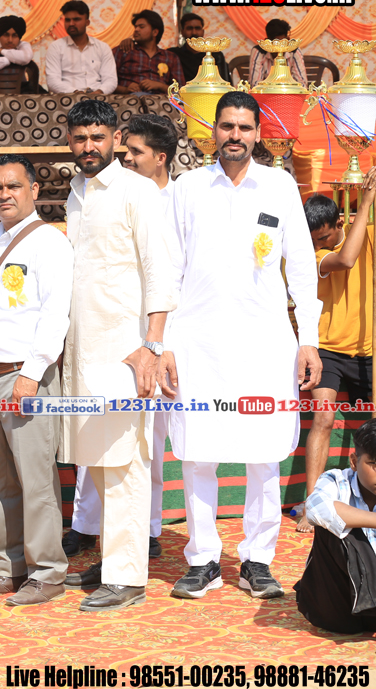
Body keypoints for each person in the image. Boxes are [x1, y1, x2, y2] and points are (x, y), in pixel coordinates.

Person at [161, 91, 321, 601]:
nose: (235, 135)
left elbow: (301, 268)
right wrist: (162, 343)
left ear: (257, 133)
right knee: (197, 453)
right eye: (227, 126)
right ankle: (203, 559)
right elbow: (167, 269)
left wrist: (309, 340)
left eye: (244, 127)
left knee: (264, 453)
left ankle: (258, 560)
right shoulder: (188, 188)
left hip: (264, 344)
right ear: (213, 131)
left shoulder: (279, 186)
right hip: (197, 342)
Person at [60, 99, 176, 612]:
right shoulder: (76, 193)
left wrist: (152, 346)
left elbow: (160, 272)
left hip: (127, 353)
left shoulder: (137, 191)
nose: (89, 146)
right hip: (83, 351)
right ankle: (113, 560)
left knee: (127, 461)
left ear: (114, 140)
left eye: (98, 137)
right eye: (80, 138)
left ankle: (127, 579)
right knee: (100, 461)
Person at [0, 154, 73, 605]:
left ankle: (47, 572)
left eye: (14, 186)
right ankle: (9, 567)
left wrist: (32, 373)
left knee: (35, 479)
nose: (4, 194)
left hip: (26, 378)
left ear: (34, 190)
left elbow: (55, 313)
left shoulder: (48, 242)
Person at [297, 185, 374, 533]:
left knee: (372, 429)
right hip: (327, 349)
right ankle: (312, 505)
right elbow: (345, 260)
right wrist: (366, 202)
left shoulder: (368, 233)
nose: (318, 244)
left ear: (339, 222)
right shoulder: (314, 255)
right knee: (323, 418)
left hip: (368, 351)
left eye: (324, 237)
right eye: (313, 239)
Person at [296, 418, 376, 633]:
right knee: (332, 525)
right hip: (339, 607)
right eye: (374, 465)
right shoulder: (335, 480)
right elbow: (316, 509)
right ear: (354, 461)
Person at [44, 0, 117, 94]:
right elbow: (52, 81)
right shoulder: (56, 47)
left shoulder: (103, 47)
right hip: (69, 97)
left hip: (98, 97)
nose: (71, 24)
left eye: (76, 19)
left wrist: (99, 93)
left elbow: (111, 79)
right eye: (67, 20)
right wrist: (76, 93)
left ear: (87, 22)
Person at [113, 10, 184, 95]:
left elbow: (181, 90)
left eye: (141, 27)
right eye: (135, 27)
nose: (136, 30)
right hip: (131, 98)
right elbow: (105, 83)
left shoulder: (171, 57)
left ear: (155, 32)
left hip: (161, 100)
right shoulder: (124, 50)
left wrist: (160, 86)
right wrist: (125, 89)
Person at [0, 16, 33, 94]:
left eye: (14, 35)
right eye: (6, 35)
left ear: (19, 37)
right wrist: (12, 59)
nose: (10, 40)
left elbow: (26, 57)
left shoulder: (23, 45)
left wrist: (2, 51)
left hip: (21, 94)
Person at [169, 13, 228, 82]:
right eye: (189, 28)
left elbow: (224, 82)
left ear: (203, 32)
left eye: (197, 28)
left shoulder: (215, 55)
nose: (194, 33)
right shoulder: (174, 54)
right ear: (182, 32)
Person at [250, 19, 306, 85]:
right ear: (268, 41)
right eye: (276, 43)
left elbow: (302, 84)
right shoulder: (259, 52)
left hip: (289, 91)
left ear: (288, 40)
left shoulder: (294, 51)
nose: (280, 48)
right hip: (267, 91)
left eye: (283, 42)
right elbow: (255, 84)